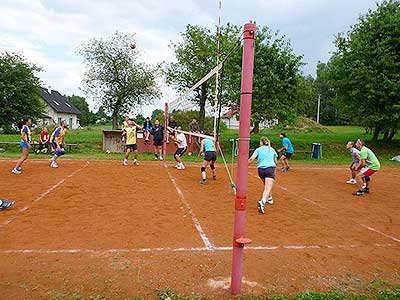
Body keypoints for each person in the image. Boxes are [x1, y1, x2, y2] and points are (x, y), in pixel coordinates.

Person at [248, 137, 278, 214]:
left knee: (266, 185)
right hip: (270, 169)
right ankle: (263, 201)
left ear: (261, 142)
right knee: (267, 188)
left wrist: (244, 165)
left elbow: (251, 159)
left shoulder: (258, 149)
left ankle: (270, 198)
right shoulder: (271, 149)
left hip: (261, 170)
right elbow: (276, 161)